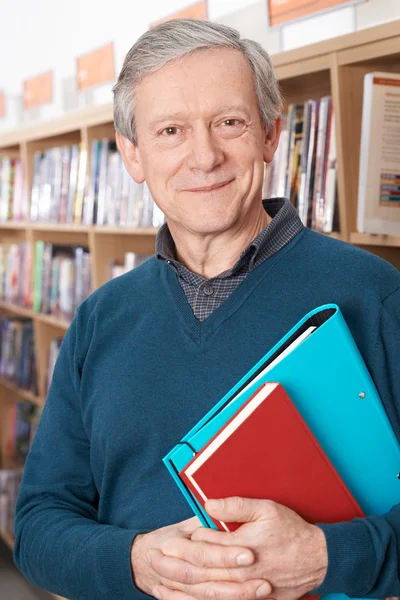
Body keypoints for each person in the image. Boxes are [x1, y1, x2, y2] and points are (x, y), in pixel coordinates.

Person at [13, 18, 400, 600]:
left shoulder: (374, 294)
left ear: (271, 135)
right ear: (133, 156)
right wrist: (136, 562)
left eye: (229, 123)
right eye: (170, 130)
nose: (204, 156)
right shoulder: (99, 319)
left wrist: (327, 557)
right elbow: (39, 525)